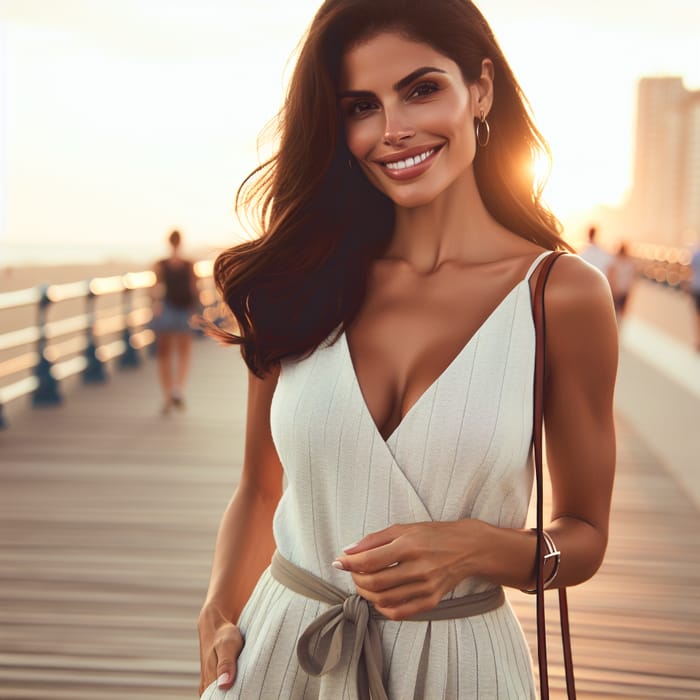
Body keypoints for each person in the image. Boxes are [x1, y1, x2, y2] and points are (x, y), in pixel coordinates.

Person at [198, 1, 618, 698]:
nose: (393, 131)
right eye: (361, 106)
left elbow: (587, 536)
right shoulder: (295, 279)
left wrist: (477, 549)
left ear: (479, 89)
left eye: (421, 89)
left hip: (462, 666)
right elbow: (259, 485)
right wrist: (217, 607)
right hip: (282, 651)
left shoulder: (561, 297)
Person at [151, 229, 198, 414]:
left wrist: (155, 306)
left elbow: (155, 289)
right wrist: (196, 311)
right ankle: (178, 388)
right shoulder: (188, 264)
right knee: (183, 351)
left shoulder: (160, 264)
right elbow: (195, 289)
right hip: (184, 310)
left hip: (168, 309)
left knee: (164, 354)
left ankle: (168, 393)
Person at [607, 242, 638, 321]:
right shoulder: (631, 263)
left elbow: (610, 277)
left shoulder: (614, 261)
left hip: (616, 291)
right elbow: (632, 280)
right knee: (618, 315)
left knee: (613, 315)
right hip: (623, 291)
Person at [691, 242, 700, 351]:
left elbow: (690, 270)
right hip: (697, 288)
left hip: (696, 288)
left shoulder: (696, 254)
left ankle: (698, 340)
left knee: (697, 316)